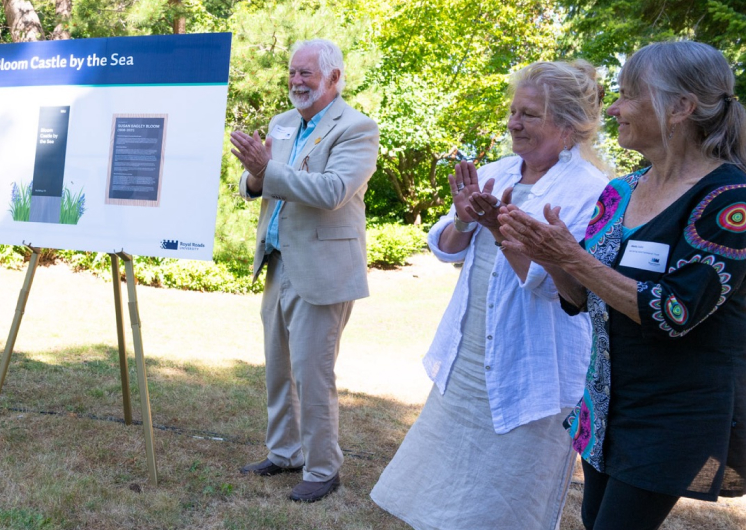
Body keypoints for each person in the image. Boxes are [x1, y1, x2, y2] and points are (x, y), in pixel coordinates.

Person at [499, 41, 746, 529]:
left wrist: (574, 258)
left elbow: (674, 312)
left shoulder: (729, 200)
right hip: (605, 407)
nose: (613, 108)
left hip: (675, 414)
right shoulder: (621, 191)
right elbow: (583, 298)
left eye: (628, 95)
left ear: (680, 108)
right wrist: (553, 259)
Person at [369, 61, 610, 529]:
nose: (514, 123)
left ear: (567, 126)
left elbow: (561, 287)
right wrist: (463, 218)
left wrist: (498, 227)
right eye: (514, 112)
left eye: (530, 114)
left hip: (534, 368)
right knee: (444, 494)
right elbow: (444, 248)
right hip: (468, 358)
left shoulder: (592, 190)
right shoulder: (498, 171)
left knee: (509, 498)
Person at [228, 38, 379, 503]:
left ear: (334, 78)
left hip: (322, 269)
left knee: (312, 375)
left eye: (306, 74)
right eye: (292, 72)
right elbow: (257, 184)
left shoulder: (357, 128)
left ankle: (322, 469)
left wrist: (266, 170)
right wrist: (254, 175)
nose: (296, 81)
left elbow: (333, 190)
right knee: (278, 368)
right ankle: (284, 452)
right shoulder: (283, 123)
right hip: (277, 263)